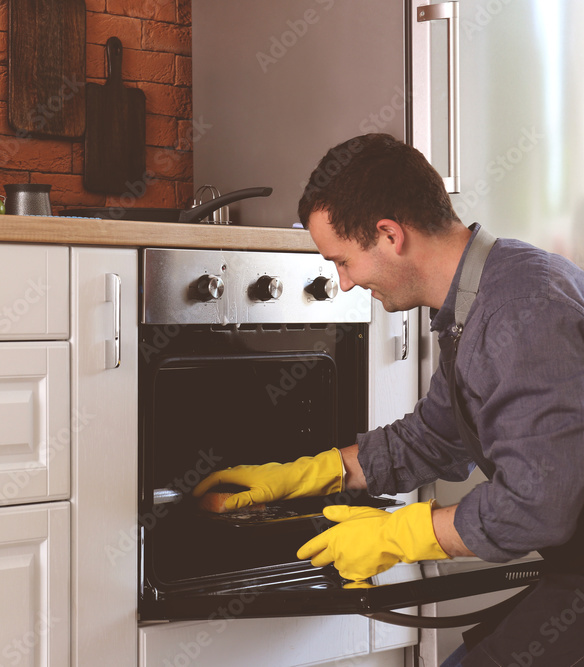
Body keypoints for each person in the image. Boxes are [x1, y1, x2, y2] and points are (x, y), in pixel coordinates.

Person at [193, 133, 584, 666]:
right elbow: (437, 437)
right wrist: (304, 475)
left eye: (344, 261)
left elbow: (539, 504)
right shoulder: (479, 298)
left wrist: (399, 534)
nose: (345, 283)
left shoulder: (519, 311)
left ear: (389, 234)